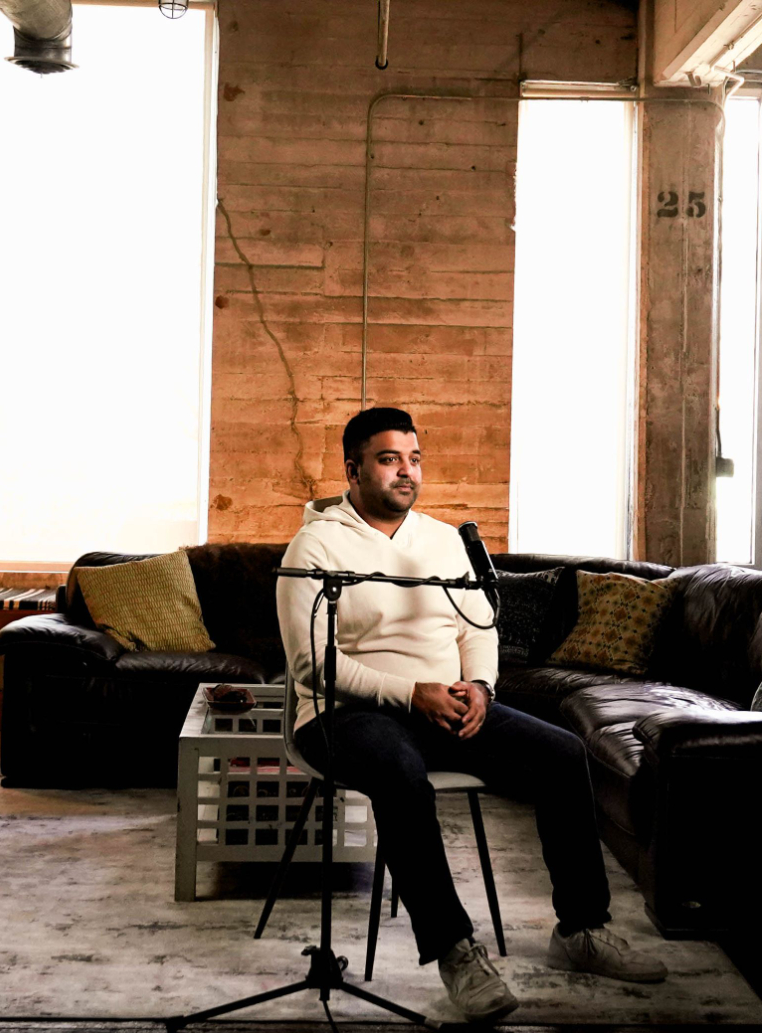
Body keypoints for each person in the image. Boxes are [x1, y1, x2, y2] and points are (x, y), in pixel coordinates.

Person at [275, 407, 665, 1024]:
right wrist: (413, 694)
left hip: (444, 704)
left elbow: (478, 627)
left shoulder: (442, 540)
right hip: (344, 715)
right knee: (400, 771)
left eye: (414, 459)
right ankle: (455, 951)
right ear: (353, 469)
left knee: (563, 754)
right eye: (388, 459)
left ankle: (582, 930)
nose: (407, 472)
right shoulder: (315, 545)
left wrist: (480, 686)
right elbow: (310, 665)